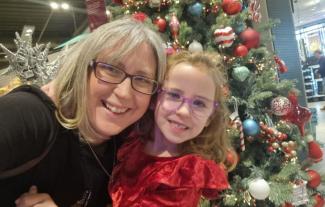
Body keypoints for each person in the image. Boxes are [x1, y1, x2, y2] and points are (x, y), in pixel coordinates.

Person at [0, 17, 166, 206]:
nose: (124, 93)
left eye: (143, 79)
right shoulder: (28, 116)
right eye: (111, 69)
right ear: (83, 68)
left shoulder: (126, 150)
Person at [109, 51, 235, 207]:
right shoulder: (133, 138)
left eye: (199, 103)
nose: (184, 111)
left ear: (210, 117)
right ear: (155, 98)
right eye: (174, 95)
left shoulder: (186, 176)